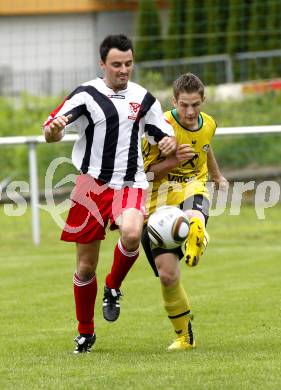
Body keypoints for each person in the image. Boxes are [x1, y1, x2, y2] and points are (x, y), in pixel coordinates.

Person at [43, 34, 176, 353]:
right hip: (91, 186)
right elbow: (51, 131)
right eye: (117, 64)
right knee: (85, 266)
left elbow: (163, 135)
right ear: (102, 64)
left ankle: (113, 288)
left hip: (130, 183)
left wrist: (168, 142)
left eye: (129, 63)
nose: (124, 70)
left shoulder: (144, 99)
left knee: (132, 234)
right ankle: (85, 332)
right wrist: (54, 129)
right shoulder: (86, 94)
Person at [141, 73, 228, 350]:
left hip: (193, 187)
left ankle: (196, 233)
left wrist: (217, 175)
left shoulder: (209, 123)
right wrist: (172, 161)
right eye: (184, 106)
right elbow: (145, 174)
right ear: (174, 101)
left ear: (203, 100)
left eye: (195, 105)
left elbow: (205, 147)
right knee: (167, 275)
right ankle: (184, 337)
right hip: (158, 203)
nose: (190, 112)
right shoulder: (159, 127)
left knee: (194, 213)